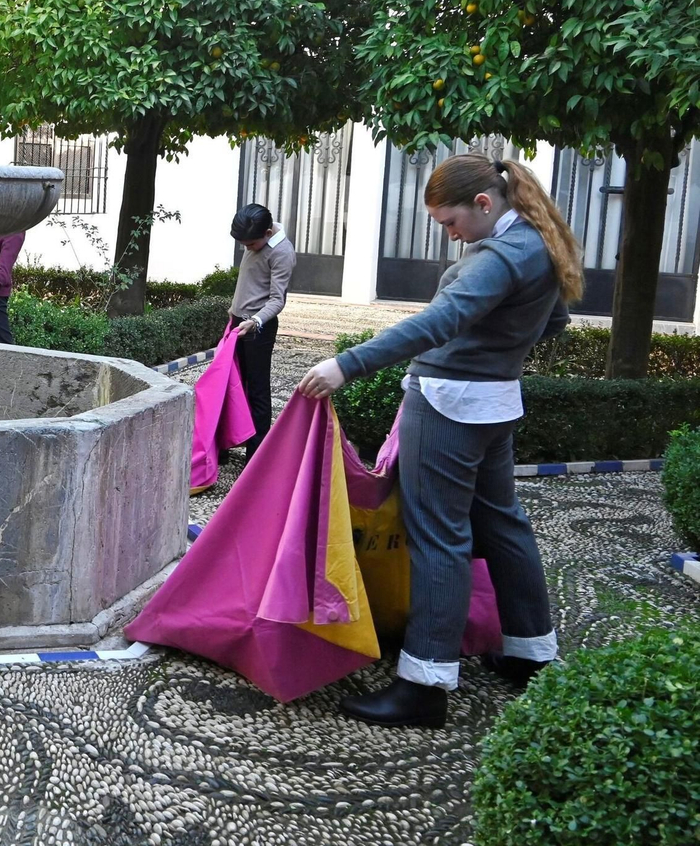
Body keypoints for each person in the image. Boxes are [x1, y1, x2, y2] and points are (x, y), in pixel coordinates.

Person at [296, 154, 581, 729]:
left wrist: (345, 365)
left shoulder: (499, 257)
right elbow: (553, 324)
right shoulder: (536, 242)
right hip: (497, 401)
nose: (448, 234)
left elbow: (435, 323)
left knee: (438, 538)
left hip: (449, 403)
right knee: (503, 523)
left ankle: (424, 684)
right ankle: (532, 654)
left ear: (483, 203)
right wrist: (499, 349)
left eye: (449, 222)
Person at [228, 204, 295, 457]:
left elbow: (278, 300)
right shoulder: (252, 232)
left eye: (251, 244)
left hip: (257, 329)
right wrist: (234, 309)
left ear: (267, 233)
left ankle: (256, 456)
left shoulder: (282, 252)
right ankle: (225, 446)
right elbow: (250, 280)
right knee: (232, 384)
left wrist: (254, 320)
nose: (247, 248)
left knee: (257, 389)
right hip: (238, 322)